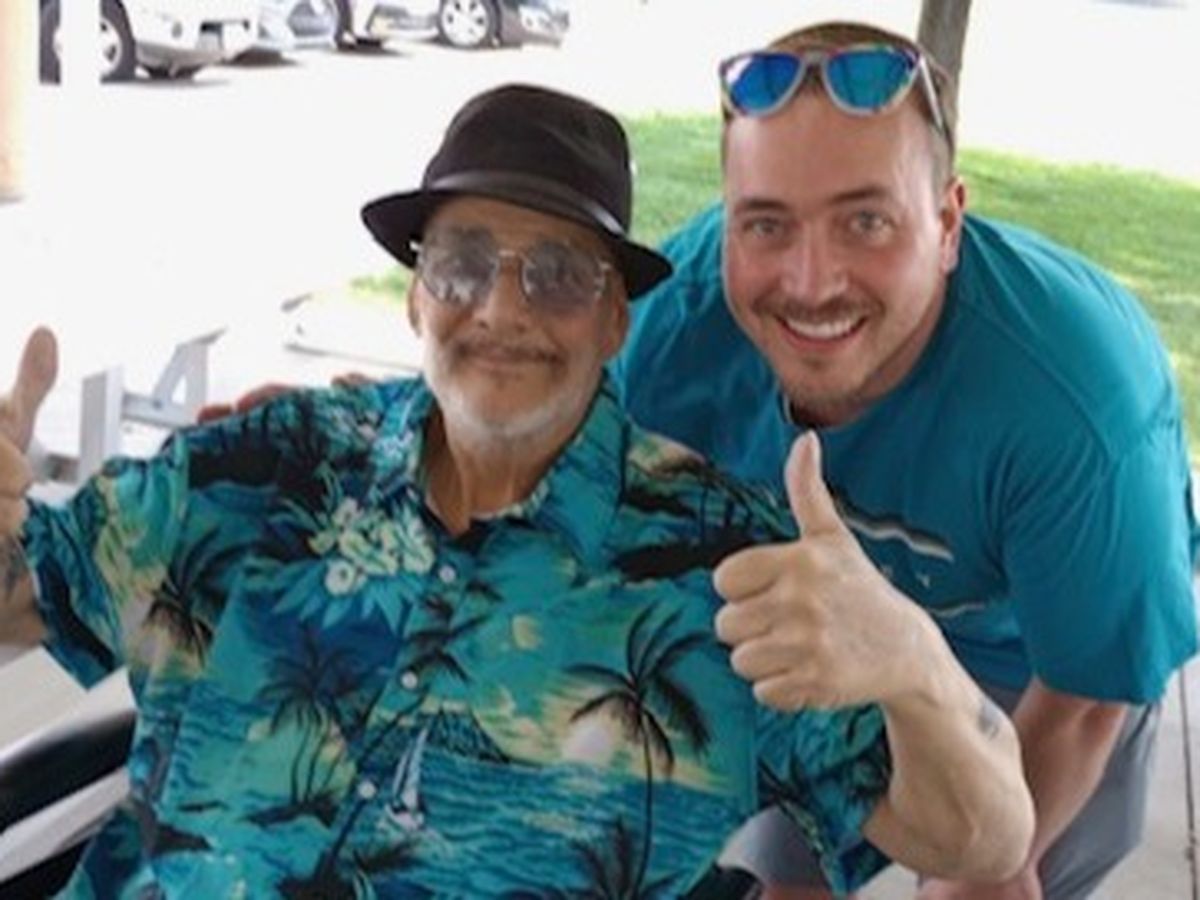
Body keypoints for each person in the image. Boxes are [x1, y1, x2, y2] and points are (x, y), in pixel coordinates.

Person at [0, 84, 1033, 897]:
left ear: (615, 321)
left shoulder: (725, 573)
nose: (501, 308)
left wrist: (915, 667)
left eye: (558, 274)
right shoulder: (264, 470)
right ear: (417, 296)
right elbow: (20, 597)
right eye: (462, 264)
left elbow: (983, 840)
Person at [611, 19, 1199, 900]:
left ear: (948, 223)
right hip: (817, 630)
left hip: (1031, 666)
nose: (810, 282)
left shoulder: (1080, 407)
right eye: (766, 224)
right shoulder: (672, 327)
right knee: (780, 876)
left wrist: (984, 863)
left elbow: (1084, 698)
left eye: (867, 221)